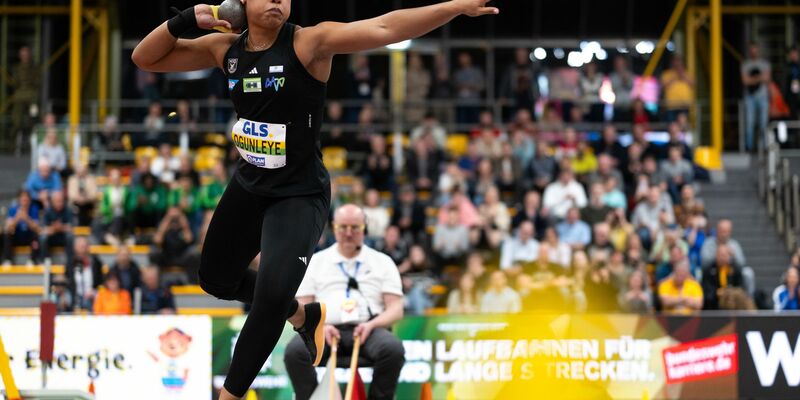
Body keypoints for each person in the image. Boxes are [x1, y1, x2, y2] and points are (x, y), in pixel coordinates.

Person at [133, 2, 498, 398]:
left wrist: (455, 7)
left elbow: (385, 25)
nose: (276, 1)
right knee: (214, 279)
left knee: (269, 299)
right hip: (250, 185)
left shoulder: (310, 43)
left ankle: (230, 394)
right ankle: (304, 315)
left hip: (299, 194)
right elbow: (146, 58)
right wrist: (187, 19)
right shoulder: (224, 48)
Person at [285, 205, 405, 400]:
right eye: (343, 227)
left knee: (393, 349)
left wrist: (371, 325)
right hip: (323, 330)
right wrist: (320, 326)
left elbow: (396, 309)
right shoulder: (316, 261)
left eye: (355, 227)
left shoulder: (383, 262)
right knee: (295, 352)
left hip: (368, 329)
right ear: (334, 227)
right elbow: (303, 306)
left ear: (364, 228)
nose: (349, 233)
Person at [741, 43, 771, 152]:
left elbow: (767, 79)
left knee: (763, 124)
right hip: (749, 98)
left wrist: (752, 79)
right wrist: (759, 77)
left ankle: (764, 147)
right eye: (751, 50)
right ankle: (750, 148)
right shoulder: (745, 64)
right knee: (749, 124)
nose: (754, 52)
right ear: (750, 51)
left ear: (758, 51)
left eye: (755, 50)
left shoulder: (764, 64)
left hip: (763, 97)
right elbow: (745, 81)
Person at [2, 190, 41, 264]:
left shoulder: (34, 209)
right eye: (23, 199)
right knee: (7, 235)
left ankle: (32, 260)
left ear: (30, 200)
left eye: (26, 199)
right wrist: (17, 218)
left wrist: (27, 219)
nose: (25, 202)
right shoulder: (13, 209)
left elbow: (38, 229)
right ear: (19, 200)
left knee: (35, 236)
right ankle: (8, 260)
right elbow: (7, 228)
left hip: (28, 237)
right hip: (17, 237)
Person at [39, 191, 74, 266]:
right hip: (52, 237)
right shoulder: (48, 211)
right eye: (57, 201)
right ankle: (45, 262)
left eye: (61, 201)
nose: (59, 203)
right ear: (52, 202)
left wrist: (61, 227)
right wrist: (53, 228)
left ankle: (70, 262)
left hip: (63, 237)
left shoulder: (68, 210)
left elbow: (71, 228)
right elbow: (43, 229)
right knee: (43, 238)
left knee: (70, 237)